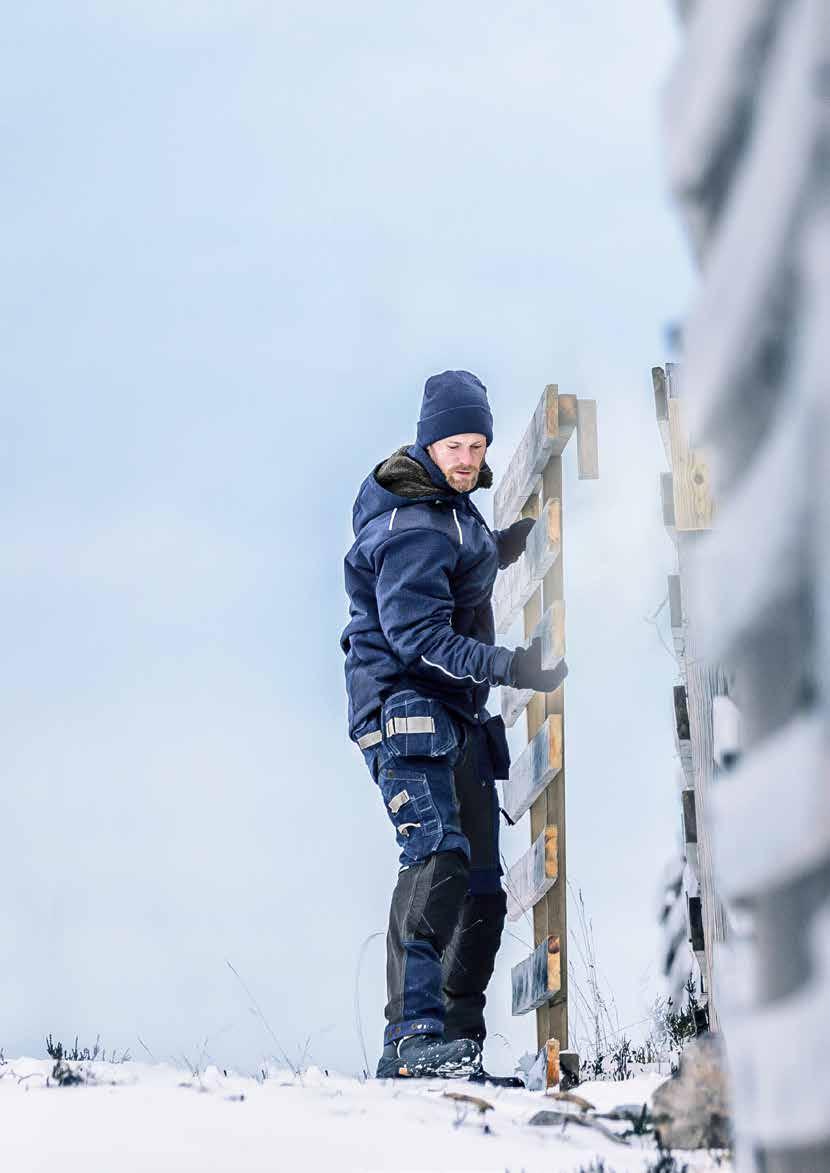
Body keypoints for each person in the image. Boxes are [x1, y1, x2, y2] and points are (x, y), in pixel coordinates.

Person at [340, 370, 567, 1081]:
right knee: (436, 852)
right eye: (454, 444)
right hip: (403, 707)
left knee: (481, 887)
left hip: (451, 714)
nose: (468, 458)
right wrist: (511, 664)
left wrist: (503, 546)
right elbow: (420, 637)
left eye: (476, 444)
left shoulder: (453, 510)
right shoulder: (413, 521)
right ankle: (411, 1037)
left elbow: (459, 560)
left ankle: (454, 1043)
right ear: (427, 441)